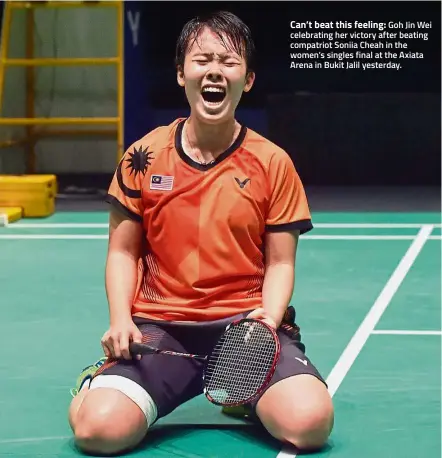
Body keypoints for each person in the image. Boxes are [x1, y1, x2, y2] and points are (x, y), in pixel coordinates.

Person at [68, 10, 334, 455]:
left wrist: (268, 319)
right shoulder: (144, 157)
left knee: (309, 425)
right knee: (97, 433)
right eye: (202, 59)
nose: (214, 70)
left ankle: (239, 391)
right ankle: (94, 386)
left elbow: (282, 261)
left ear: (247, 79)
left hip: (246, 329)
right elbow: (122, 253)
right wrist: (120, 320)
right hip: (161, 331)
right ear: (181, 74)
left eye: (229, 62)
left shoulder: (272, 163)